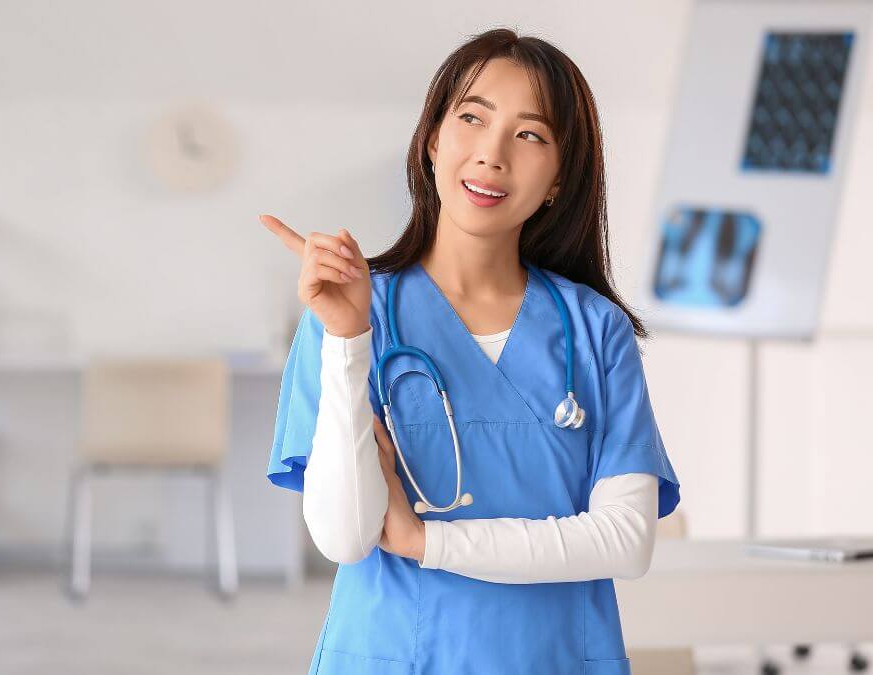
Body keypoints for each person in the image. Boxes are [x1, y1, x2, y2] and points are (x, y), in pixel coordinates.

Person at [260, 28, 681, 675]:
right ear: (431, 141)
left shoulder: (595, 331)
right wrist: (348, 343)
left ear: (559, 180)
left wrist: (426, 540)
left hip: (556, 657)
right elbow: (346, 536)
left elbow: (625, 541)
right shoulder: (351, 315)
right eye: (472, 118)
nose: (492, 154)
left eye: (530, 134)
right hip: (392, 654)